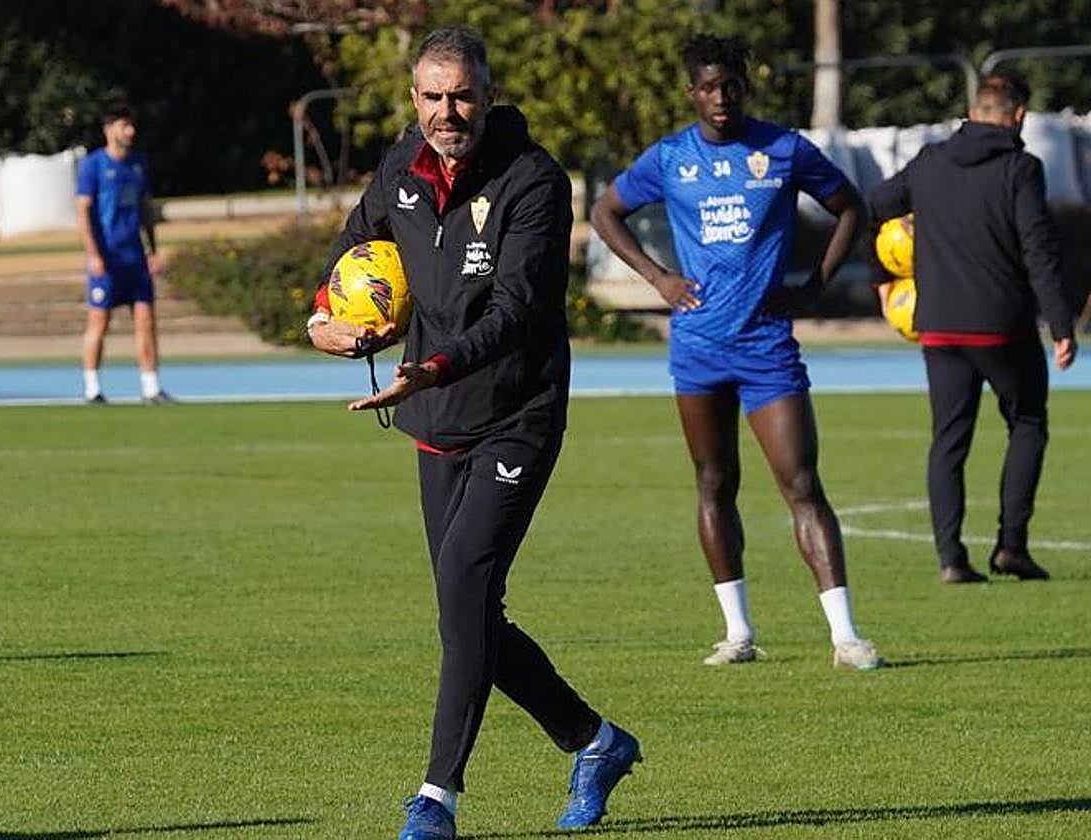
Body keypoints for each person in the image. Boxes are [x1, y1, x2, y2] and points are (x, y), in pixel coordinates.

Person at [307, 25, 640, 840]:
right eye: (431, 95)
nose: (446, 111)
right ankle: (594, 741)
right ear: (413, 97)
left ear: (488, 95)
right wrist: (327, 317)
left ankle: (436, 799)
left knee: (464, 585)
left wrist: (438, 362)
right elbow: (357, 251)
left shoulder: (533, 179)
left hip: (516, 414)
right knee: (469, 614)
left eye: (460, 94)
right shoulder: (399, 167)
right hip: (434, 413)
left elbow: (519, 309)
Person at [590, 34, 882, 670]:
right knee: (714, 482)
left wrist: (818, 285)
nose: (721, 98)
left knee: (801, 483)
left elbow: (850, 208)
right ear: (692, 93)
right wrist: (659, 277)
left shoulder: (782, 149)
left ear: (745, 88)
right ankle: (738, 633)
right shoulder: (669, 157)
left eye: (731, 86)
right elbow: (605, 211)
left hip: (766, 346)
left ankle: (846, 636)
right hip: (697, 348)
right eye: (709, 87)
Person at [869, 72, 1077, 584]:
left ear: (974, 110)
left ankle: (949, 559)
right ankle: (1011, 548)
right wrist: (1062, 322)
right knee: (1027, 424)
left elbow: (874, 206)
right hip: (1003, 328)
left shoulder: (930, 162)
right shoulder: (1020, 169)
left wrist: (883, 278)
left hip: (939, 328)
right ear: (1019, 115)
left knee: (948, 440)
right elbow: (1038, 249)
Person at [76, 99, 171, 404]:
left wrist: (152, 250)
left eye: (132, 125)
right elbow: (83, 211)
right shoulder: (94, 165)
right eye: (123, 125)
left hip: (134, 259)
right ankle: (92, 387)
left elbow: (145, 210)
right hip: (108, 258)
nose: (130, 131)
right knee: (99, 322)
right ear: (109, 129)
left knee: (145, 320)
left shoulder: (137, 164)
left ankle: (151, 386)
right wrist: (94, 254)